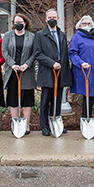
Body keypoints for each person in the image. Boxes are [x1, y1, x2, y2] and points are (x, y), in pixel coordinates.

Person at [33, 8, 73, 136]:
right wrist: (52, 63)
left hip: (60, 74)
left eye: (54, 17)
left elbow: (64, 55)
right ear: (45, 19)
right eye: (49, 17)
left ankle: (55, 122)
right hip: (47, 73)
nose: (52, 19)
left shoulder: (61, 34)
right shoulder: (40, 35)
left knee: (57, 100)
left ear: (58, 19)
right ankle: (44, 126)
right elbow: (37, 53)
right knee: (45, 101)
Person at [2, 13, 36, 135]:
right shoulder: (7, 36)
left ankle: (26, 125)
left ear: (25, 23)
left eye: (20, 22)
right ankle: (15, 123)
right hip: (13, 72)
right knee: (13, 99)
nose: (18, 24)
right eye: (15, 22)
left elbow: (34, 52)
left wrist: (27, 64)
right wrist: (13, 64)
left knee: (27, 99)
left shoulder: (31, 36)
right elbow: (4, 51)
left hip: (26, 72)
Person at [69, 15, 94, 123]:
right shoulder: (76, 37)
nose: (87, 25)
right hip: (82, 71)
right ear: (79, 25)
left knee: (91, 96)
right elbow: (72, 53)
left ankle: (89, 119)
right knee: (86, 96)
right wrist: (81, 63)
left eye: (89, 24)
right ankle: (85, 118)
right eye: (84, 24)